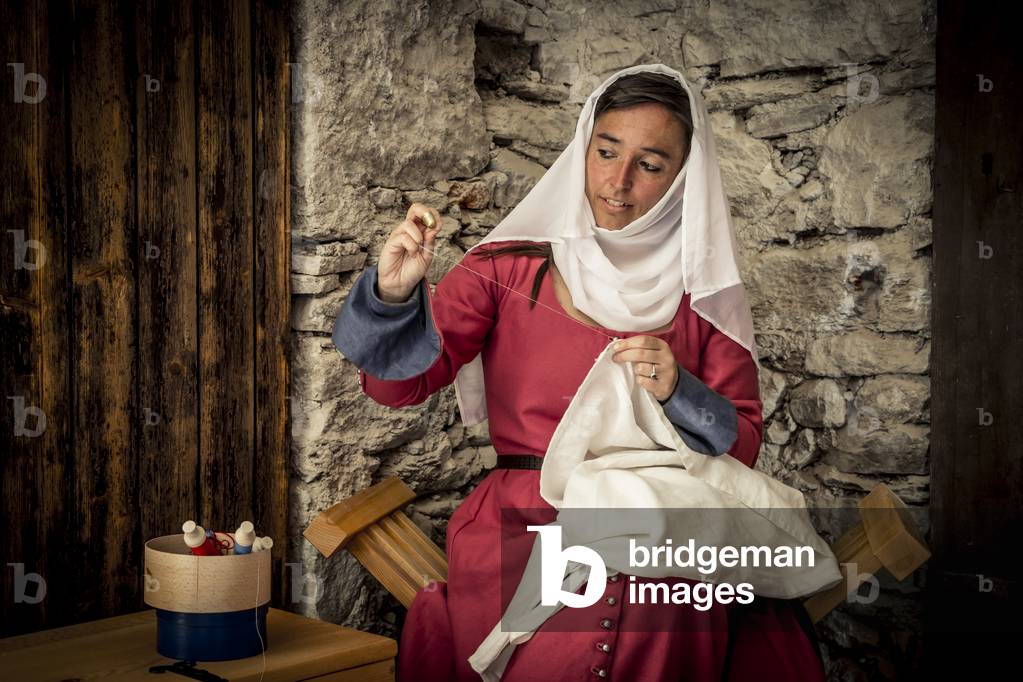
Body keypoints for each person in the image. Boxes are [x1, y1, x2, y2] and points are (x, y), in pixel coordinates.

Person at [333, 64, 825, 681]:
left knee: (666, 598)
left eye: (650, 164)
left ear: (682, 180)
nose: (618, 183)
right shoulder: (507, 267)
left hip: (661, 519)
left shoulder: (703, 297)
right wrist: (392, 295)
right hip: (526, 520)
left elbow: (743, 443)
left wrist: (679, 391)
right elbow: (396, 386)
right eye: (606, 152)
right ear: (582, 150)